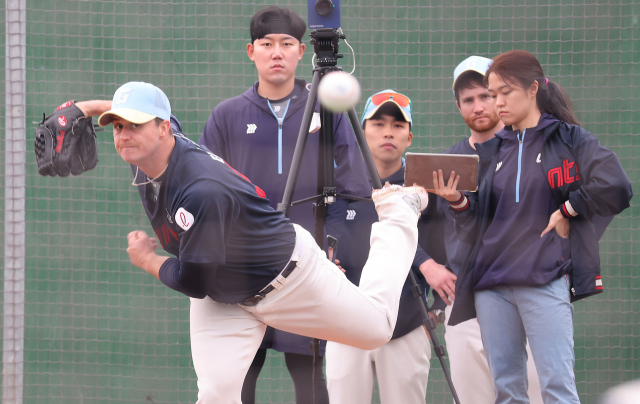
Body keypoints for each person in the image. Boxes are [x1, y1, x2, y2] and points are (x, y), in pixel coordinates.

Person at [75, 81, 428, 404]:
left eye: (134, 125)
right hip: (227, 294)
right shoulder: (158, 147)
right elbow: (160, 120)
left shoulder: (202, 190)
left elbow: (194, 282)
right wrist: (87, 109)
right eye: (118, 126)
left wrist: (147, 260)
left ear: (162, 128)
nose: (123, 135)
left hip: (290, 280)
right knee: (215, 394)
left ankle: (398, 213)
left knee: (377, 328)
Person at [432, 50, 633, 404]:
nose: (497, 102)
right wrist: (457, 201)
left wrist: (569, 209)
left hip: (544, 281)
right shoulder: (491, 151)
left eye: (504, 92)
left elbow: (616, 184)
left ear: (533, 89)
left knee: (557, 388)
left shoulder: (569, 139)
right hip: (491, 287)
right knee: (508, 392)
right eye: (493, 94)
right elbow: (478, 220)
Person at [198, 7, 370, 403]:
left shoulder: (329, 111)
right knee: (237, 380)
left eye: (287, 44)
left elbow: (355, 190)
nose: (277, 52)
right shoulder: (226, 116)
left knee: (309, 380)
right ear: (251, 51)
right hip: (241, 272)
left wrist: (334, 248)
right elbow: (206, 191)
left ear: (300, 52)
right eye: (267, 44)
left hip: (307, 267)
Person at [417, 56, 544, 404]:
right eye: (469, 99)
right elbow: (414, 233)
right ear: (458, 106)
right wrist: (429, 267)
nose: (479, 105)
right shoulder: (442, 167)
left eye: (486, 95)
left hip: (525, 298)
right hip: (465, 306)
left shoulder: (534, 152)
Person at [325, 90, 434, 404]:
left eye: (398, 126)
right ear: (361, 132)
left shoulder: (424, 189)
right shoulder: (337, 184)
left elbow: (443, 249)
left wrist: (436, 311)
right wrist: (326, 260)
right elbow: (321, 238)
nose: (389, 132)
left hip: (408, 323)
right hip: (345, 321)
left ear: (409, 137)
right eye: (378, 123)